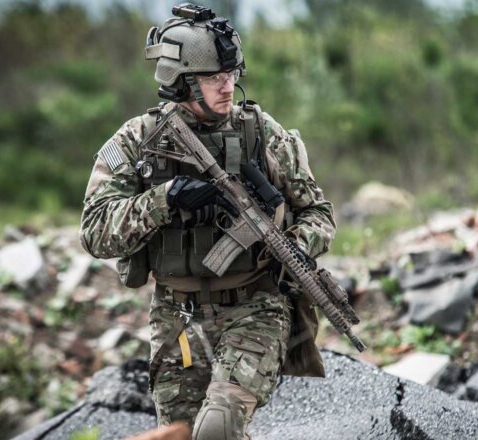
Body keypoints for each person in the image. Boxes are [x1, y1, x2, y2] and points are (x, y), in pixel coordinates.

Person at [79, 4, 336, 439]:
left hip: (256, 305)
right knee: (179, 434)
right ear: (181, 82)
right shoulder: (138, 141)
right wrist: (164, 199)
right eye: (214, 78)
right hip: (177, 318)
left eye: (232, 75)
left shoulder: (261, 132)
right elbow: (94, 233)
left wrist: (291, 243)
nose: (227, 87)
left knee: (218, 427)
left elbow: (319, 214)